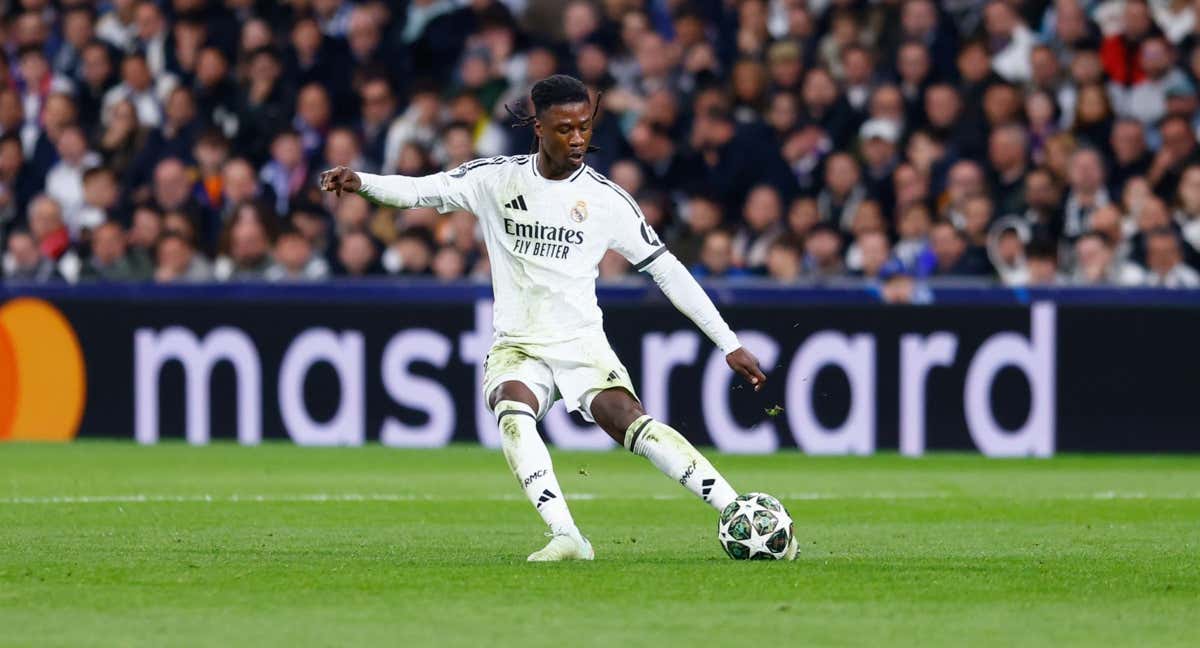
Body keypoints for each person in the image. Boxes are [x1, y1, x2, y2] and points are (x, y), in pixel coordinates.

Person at [320, 75, 787, 562]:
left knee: (629, 420)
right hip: (518, 343)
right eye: (565, 129)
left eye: (585, 126)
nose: (579, 138)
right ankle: (567, 536)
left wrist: (727, 342)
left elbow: (668, 272)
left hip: (580, 343)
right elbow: (420, 190)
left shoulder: (608, 201)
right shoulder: (496, 179)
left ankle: (736, 510)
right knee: (511, 406)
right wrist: (362, 182)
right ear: (538, 128)